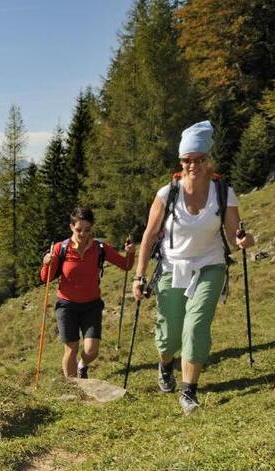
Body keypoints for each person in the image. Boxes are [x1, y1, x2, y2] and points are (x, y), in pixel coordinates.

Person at [132, 121, 255, 415]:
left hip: (209, 266)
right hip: (172, 266)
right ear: (180, 162)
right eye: (187, 160)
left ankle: (189, 391)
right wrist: (138, 276)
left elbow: (234, 232)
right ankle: (165, 364)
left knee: (196, 324)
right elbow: (149, 236)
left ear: (208, 159)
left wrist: (244, 240)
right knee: (168, 335)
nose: (193, 165)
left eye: (199, 159)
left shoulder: (224, 192)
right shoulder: (167, 194)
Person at [40, 206, 135, 379]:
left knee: (91, 351)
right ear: (71, 227)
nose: (83, 234)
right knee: (71, 348)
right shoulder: (61, 248)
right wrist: (47, 262)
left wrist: (131, 253)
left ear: (92, 228)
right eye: (78, 230)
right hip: (66, 305)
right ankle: (73, 387)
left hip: (91, 305)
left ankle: (82, 365)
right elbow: (45, 278)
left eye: (87, 230)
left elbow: (126, 265)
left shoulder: (100, 248)